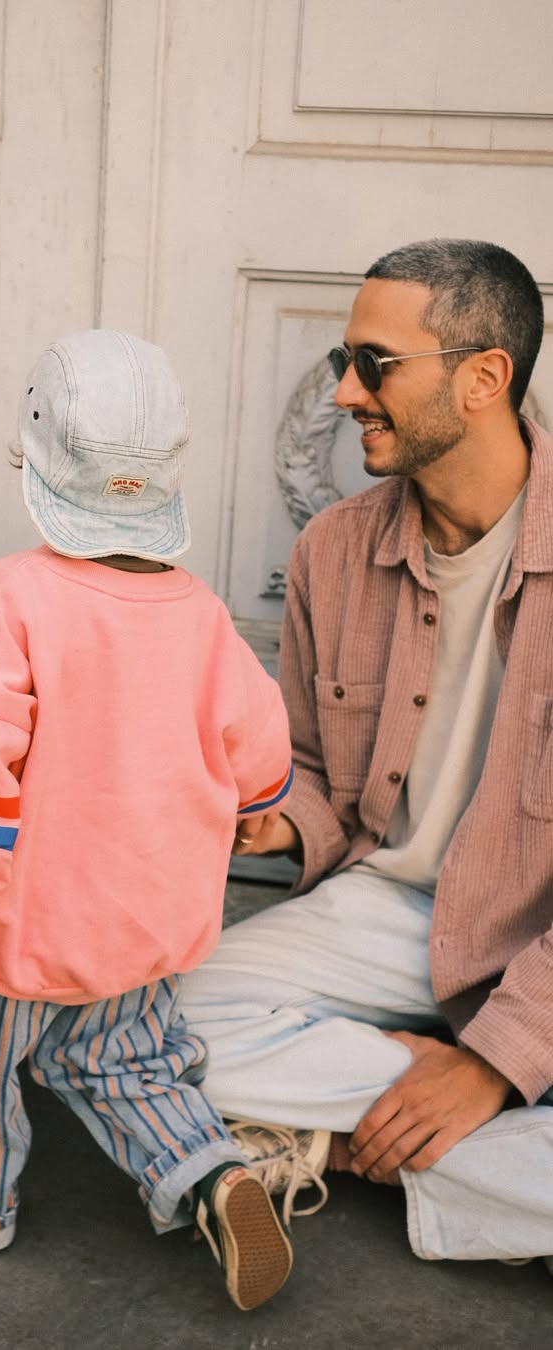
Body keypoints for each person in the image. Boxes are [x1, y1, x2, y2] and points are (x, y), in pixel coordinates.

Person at [0, 328, 297, 1311]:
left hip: (18, 921)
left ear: (31, 455)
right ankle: (207, 1170)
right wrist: (265, 810)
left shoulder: (15, 597)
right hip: (141, 919)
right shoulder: (198, 609)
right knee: (133, 1059)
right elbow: (255, 734)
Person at [178, 238, 553, 1268]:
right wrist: (268, 815)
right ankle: (465, 1155)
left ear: (485, 377)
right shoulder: (334, 552)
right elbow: (306, 764)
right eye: (349, 362)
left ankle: (350, 1130)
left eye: (374, 364)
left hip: (541, 931)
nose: (345, 392)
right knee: (150, 1018)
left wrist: (493, 1061)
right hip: (391, 907)